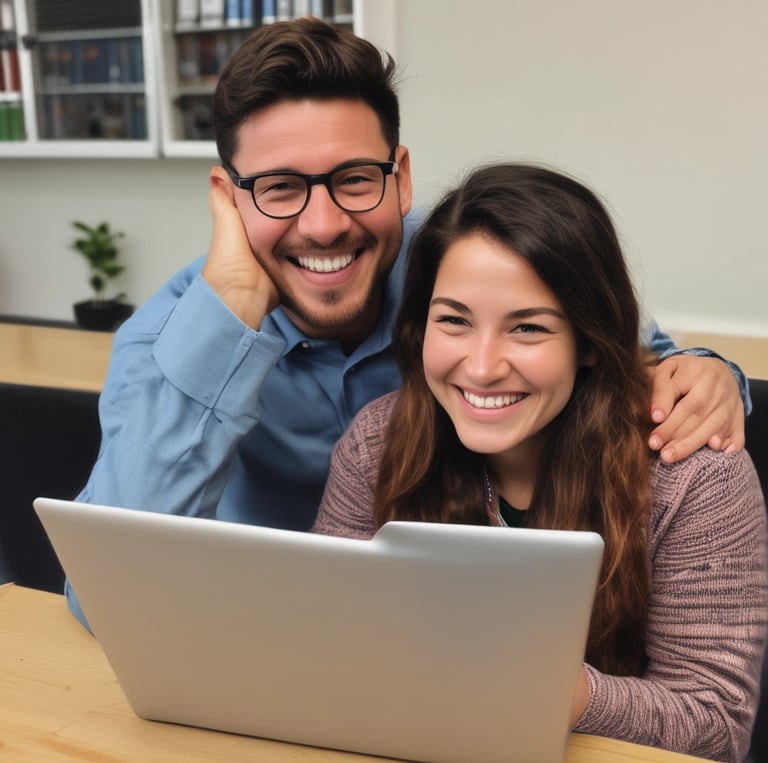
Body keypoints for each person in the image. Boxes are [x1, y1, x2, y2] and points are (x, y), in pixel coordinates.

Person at [66, 18, 750, 626]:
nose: (325, 224)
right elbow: (104, 592)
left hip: (486, 637)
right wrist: (235, 307)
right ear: (228, 197)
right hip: (275, 645)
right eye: (279, 189)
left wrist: (712, 376)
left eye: (355, 179)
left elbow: (632, 359)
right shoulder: (166, 340)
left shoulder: (467, 259)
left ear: (401, 177)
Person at [312, 163, 768, 763]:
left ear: (587, 340)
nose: (481, 367)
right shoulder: (376, 444)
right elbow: (326, 657)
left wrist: (547, 685)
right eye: (453, 320)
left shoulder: (694, 474)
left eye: (527, 328)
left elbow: (715, 724)